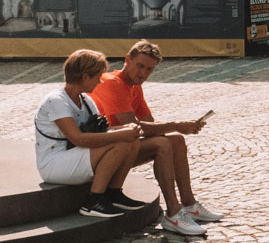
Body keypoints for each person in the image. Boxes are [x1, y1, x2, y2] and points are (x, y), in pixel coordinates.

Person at [92, 40, 222, 236]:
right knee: (163, 143)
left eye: (149, 69)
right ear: (128, 60)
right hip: (100, 153)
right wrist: (178, 125)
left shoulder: (134, 85)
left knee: (176, 140)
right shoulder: (112, 82)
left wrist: (183, 128)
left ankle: (189, 204)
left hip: (121, 147)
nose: (143, 73)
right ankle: (173, 212)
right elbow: (134, 127)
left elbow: (149, 124)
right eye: (140, 66)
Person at [34, 49, 149, 220]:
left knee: (130, 139)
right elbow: (78, 138)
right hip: (54, 163)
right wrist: (120, 135)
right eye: (98, 77)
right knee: (122, 141)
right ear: (86, 77)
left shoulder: (86, 100)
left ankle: (114, 193)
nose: (99, 82)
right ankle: (93, 201)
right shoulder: (56, 100)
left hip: (73, 155)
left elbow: (100, 131)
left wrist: (126, 129)